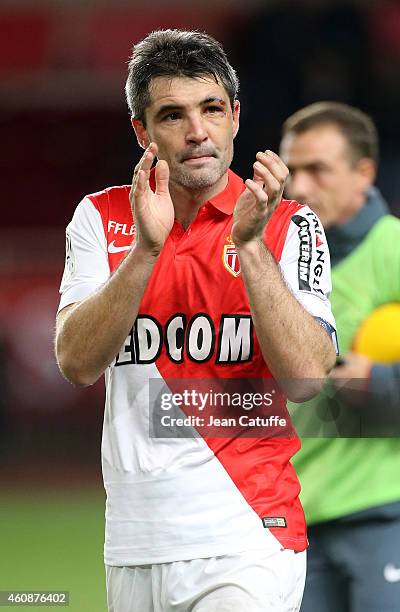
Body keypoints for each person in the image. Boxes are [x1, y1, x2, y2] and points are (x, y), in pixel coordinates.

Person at [55, 30, 336, 612]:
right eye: (172, 115)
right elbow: (77, 364)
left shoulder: (291, 224)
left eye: (211, 109)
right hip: (133, 543)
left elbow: (308, 379)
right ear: (142, 132)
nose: (197, 132)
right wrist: (144, 252)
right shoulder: (99, 218)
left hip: (248, 534)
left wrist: (252, 248)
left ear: (235, 116)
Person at [281, 101, 400, 612]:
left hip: (383, 511)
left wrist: (379, 385)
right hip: (291, 519)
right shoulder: (275, 266)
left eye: (318, 170)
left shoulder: (393, 249)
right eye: (293, 171)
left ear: (364, 173)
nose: (299, 188)